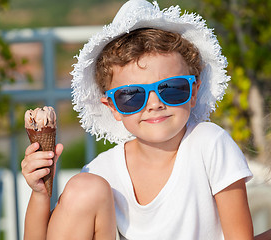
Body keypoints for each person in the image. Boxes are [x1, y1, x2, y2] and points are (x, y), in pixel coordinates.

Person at [21, 0, 269, 239]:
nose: (155, 104)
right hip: (88, 188)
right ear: (113, 107)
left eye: (172, 88)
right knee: (83, 188)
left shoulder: (210, 144)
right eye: (131, 96)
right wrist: (41, 193)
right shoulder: (102, 172)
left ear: (193, 92)